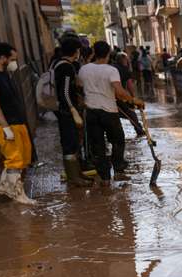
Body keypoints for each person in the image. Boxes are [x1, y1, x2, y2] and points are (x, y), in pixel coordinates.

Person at [78, 40, 144, 184]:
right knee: (118, 140)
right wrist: (133, 100)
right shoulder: (111, 70)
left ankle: (105, 178)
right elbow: (120, 92)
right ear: (108, 53)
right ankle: (119, 170)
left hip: (91, 112)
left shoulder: (84, 69)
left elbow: (79, 87)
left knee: (98, 145)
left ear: (94, 53)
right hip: (109, 112)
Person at [0, 42, 33, 204]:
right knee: (14, 158)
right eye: (12, 59)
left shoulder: (3, 72)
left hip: (17, 121)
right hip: (5, 124)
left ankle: (6, 186)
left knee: (24, 157)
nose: (14, 62)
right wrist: (6, 128)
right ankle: (18, 194)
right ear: (3, 58)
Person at [53, 36, 91, 187]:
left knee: (74, 142)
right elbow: (65, 93)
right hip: (67, 112)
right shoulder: (66, 67)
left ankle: (77, 174)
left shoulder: (59, 63)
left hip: (65, 110)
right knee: (70, 143)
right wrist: (73, 110)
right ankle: (74, 178)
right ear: (76, 51)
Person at [114, 52, 146, 137]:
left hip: (110, 98)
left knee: (115, 116)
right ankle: (139, 130)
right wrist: (133, 98)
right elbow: (129, 85)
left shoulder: (112, 67)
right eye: (127, 59)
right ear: (124, 60)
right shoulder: (124, 69)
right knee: (131, 114)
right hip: (120, 96)